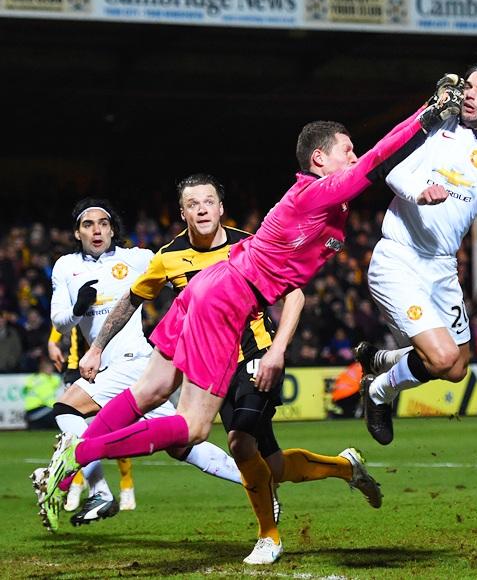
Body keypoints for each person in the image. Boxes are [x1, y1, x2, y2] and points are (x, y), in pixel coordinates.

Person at [36, 72, 466, 565]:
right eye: (345, 148)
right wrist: (428, 114)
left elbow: (381, 170)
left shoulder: (325, 203)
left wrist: (428, 165)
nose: (353, 154)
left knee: (149, 394)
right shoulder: (313, 192)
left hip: (210, 288)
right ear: (319, 159)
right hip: (229, 299)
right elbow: (374, 163)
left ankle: (75, 454)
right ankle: (84, 454)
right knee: (193, 428)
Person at [39, 175, 383, 555]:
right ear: (182, 212)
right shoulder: (168, 257)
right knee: (274, 468)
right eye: (192, 204)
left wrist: (278, 349)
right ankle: (345, 467)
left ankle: (268, 536)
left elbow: (295, 294)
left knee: (238, 443)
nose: (201, 209)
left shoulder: (250, 246)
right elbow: (131, 300)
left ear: (221, 208)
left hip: (253, 358)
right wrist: (97, 347)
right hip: (204, 366)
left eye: (208, 202)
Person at [356, 53, 477, 445]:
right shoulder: (432, 125)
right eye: (469, 85)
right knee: (441, 358)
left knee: (457, 367)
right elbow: (389, 166)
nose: (471, 94)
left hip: (441, 267)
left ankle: (380, 361)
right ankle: (378, 393)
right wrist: (419, 193)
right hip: (399, 258)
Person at [32, 197, 242, 532]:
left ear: (113, 229)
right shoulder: (65, 267)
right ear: (77, 232)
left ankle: (97, 491)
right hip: (119, 370)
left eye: (103, 223)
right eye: (88, 224)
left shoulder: (137, 258)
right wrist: (77, 310)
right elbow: (59, 323)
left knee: (66, 407)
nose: (97, 230)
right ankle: (255, 481)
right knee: (182, 445)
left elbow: (180, 268)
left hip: (134, 361)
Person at [47, 324, 136, 513]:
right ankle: (78, 484)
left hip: (107, 369)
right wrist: (52, 342)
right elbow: (66, 317)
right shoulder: (75, 299)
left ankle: (126, 484)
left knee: (114, 431)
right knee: (75, 435)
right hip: (75, 369)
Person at [23, 353, 62, 429]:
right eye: (48, 367)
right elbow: (49, 401)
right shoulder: (42, 381)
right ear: (43, 368)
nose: (51, 369)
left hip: (32, 413)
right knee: (60, 413)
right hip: (36, 411)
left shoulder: (39, 379)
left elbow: (56, 380)